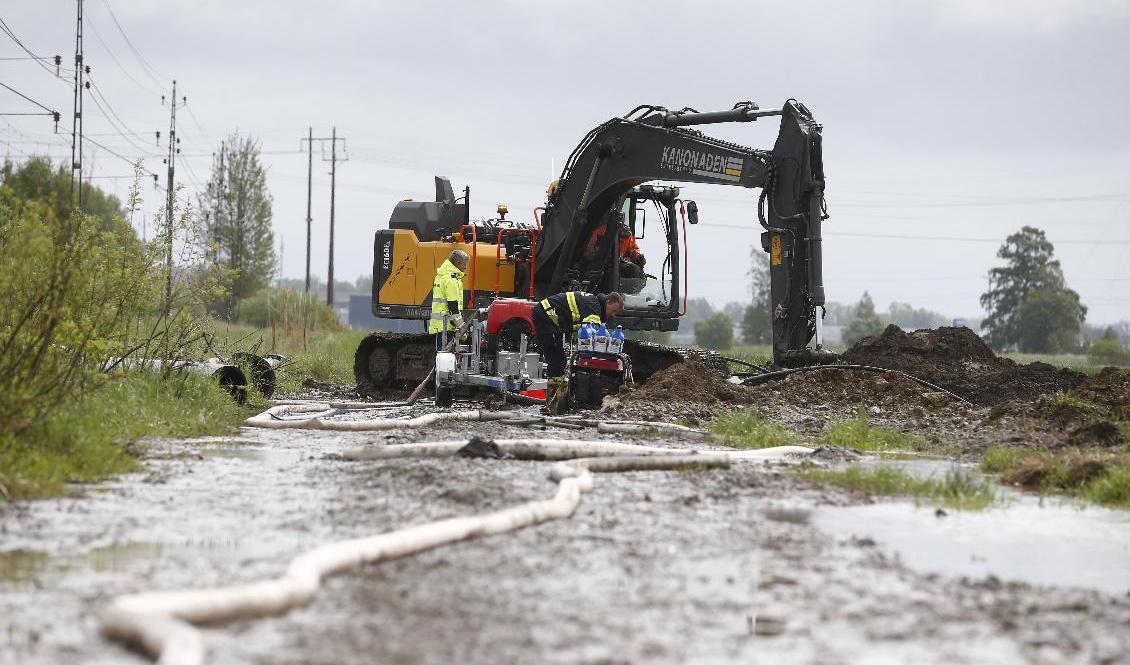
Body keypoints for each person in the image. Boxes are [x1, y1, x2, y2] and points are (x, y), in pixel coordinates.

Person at [532, 290, 624, 413]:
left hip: (549, 317)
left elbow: (581, 331)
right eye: (613, 311)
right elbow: (595, 338)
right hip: (546, 316)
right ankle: (553, 404)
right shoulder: (594, 309)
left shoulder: (594, 303)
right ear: (608, 301)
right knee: (557, 362)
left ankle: (558, 402)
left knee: (560, 361)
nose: (613, 315)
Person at [585, 214, 645, 279]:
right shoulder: (600, 232)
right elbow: (588, 251)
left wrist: (638, 257)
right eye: (618, 218)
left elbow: (633, 249)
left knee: (635, 270)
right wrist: (596, 255)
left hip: (618, 264)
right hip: (601, 265)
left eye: (621, 218)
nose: (620, 221)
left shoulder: (627, 235)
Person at [428, 249, 470, 339]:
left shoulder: (442, 276)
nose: (466, 267)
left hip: (439, 326)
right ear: (458, 263)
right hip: (447, 328)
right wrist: (462, 330)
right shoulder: (452, 280)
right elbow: (453, 307)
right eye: (465, 264)